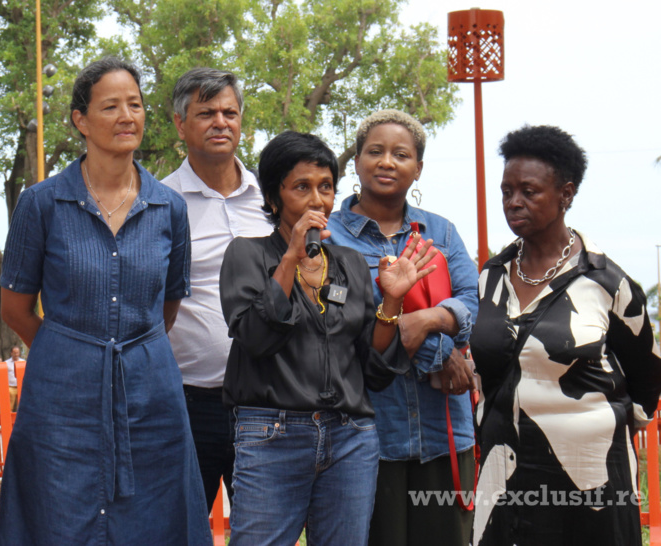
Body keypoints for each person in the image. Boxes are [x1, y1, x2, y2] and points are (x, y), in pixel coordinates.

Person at [0, 57, 210, 544]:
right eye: (110, 106)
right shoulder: (41, 203)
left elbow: (167, 307)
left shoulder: (169, 207)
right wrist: (72, 349)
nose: (126, 116)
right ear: (80, 120)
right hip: (60, 397)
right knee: (57, 514)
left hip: (151, 392)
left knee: (153, 518)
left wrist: (125, 348)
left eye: (134, 105)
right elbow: (15, 309)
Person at [220, 131, 438, 545]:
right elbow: (255, 338)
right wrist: (290, 260)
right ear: (273, 198)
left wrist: (391, 302)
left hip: (350, 437)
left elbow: (373, 370)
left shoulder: (351, 264)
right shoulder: (246, 255)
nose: (317, 200)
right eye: (302, 187)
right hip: (272, 436)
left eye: (325, 188)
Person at [470, 125, 661, 545]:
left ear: (566, 195)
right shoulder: (490, 278)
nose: (513, 202)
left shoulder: (607, 283)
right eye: (506, 191)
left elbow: (648, 379)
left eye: (528, 191)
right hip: (505, 474)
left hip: (590, 482)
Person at [327, 109, 479, 546]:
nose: (387, 162)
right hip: (368, 435)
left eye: (401, 154)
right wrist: (441, 352)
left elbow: (471, 304)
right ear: (356, 161)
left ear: (419, 168)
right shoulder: (333, 236)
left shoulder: (441, 232)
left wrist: (423, 319)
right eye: (374, 152)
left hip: (445, 427)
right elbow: (351, 327)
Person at [161, 67, 272, 510]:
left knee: (265, 533)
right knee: (178, 530)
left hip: (268, 403)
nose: (220, 122)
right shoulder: (158, 202)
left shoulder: (272, 199)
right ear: (180, 123)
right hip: (188, 403)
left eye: (230, 112)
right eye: (206, 113)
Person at [4, 345, 25, 411]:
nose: (16, 354)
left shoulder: (23, 362)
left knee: (21, 406)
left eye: (17, 352)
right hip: (10, 387)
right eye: (14, 353)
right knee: (10, 406)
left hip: (21, 387)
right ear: (11, 353)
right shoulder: (6, 363)